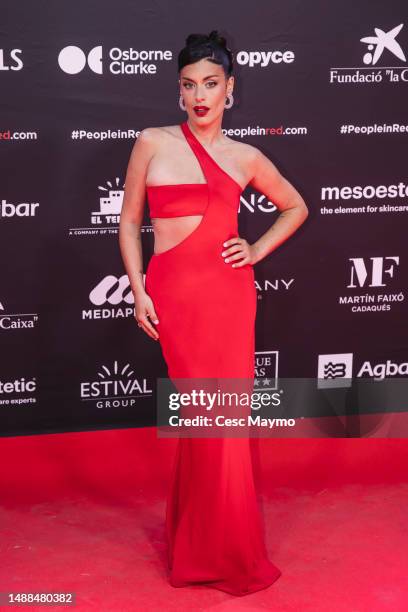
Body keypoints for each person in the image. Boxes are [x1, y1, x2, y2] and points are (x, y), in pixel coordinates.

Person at [119, 30, 308, 596]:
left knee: (221, 423)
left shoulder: (244, 155)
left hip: (227, 297)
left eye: (211, 83)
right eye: (188, 85)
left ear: (231, 89)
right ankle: (200, 543)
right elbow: (130, 221)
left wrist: (256, 249)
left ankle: (224, 551)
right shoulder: (151, 141)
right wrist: (137, 288)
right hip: (174, 296)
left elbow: (296, 206)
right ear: (178, 92)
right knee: (201, 421)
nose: (200, 95)